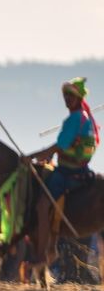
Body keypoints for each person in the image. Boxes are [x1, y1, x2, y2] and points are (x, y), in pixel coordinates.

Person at [25, 77, 99, 267]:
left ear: (78, 98)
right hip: (82, 170)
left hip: (68, 172)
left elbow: (59, 146)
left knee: (42, 206)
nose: (67, 99)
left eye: (71, 96)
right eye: (65, 95)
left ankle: (42, 254)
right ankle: (51, 248)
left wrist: (32, 156)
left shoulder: (75, 119)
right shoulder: (84, 117)